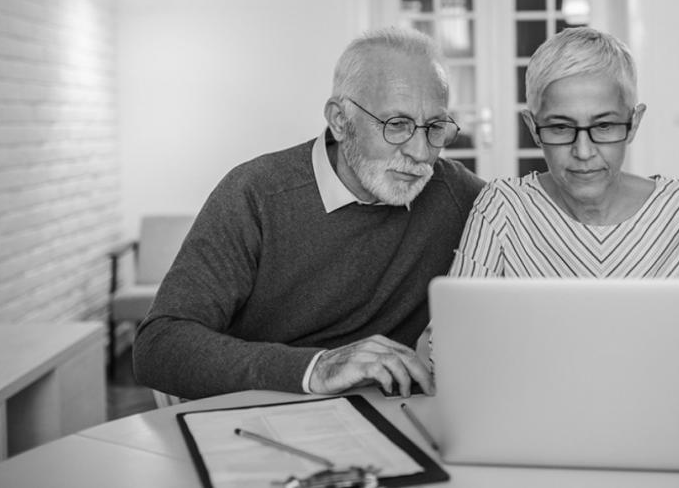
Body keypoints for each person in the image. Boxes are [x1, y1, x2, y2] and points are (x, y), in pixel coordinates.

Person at [133, 26, 485, 399]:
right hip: (257, 412)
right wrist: (316, 367)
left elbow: (532, 212)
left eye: (435, 127)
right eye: (396, 125)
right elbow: (159, 345)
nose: (419, 151)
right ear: (338, 119)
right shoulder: (257, 194)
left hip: (382, 417)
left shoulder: (455, 193)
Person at [444, 27, 679, 376]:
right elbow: (452, 343)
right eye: (561, 128)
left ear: (634, 122)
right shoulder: (501, 208)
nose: (583, 152)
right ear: (533, 128)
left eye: (605, 126)